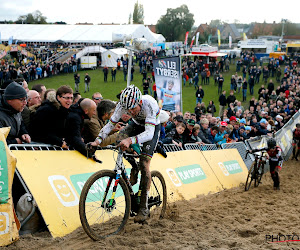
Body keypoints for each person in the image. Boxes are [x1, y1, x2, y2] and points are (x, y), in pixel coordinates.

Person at [90, 85, 161, 223]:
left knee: (145, 163)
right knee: (118, 139)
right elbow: (110, 125)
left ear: (140, 102)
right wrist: (97, 141)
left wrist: (130, 140)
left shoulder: (149, 104)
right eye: (128, 109)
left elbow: (149, 133)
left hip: (151, 128)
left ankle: (143, 207)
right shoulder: (123, 105)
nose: (131, 112)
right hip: (135, 125)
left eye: (134, 108)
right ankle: (134, 167)